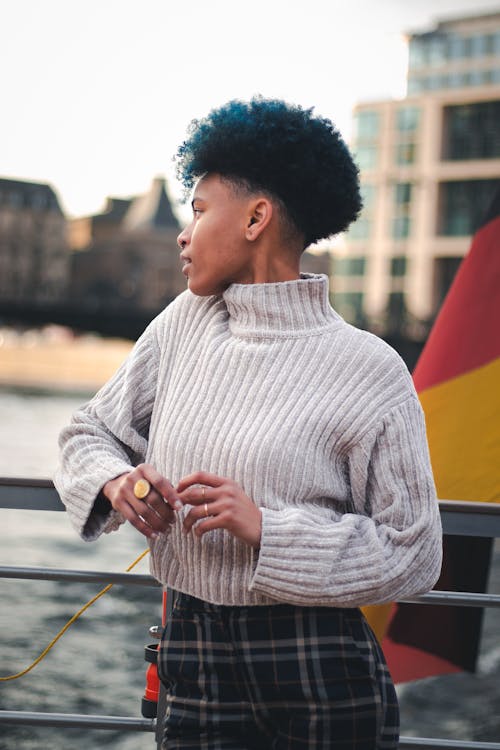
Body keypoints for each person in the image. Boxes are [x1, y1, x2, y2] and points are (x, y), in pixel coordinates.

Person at [55, 97, 443, 749]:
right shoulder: (182, 325)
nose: (184, 233)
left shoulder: (369, 367)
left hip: (317, 665)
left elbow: (415, 551)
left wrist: (268, 530)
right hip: (189, 651)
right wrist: (118, 482)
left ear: (258, 218)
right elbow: (85, 435)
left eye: (201, 211)